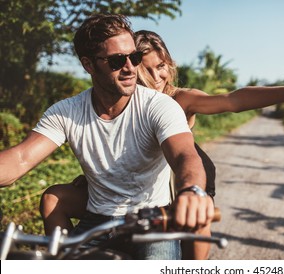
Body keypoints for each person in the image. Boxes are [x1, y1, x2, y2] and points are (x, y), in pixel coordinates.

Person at [39, 30, 284, 259]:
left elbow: (234, 100)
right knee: (58, 195)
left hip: (177, 182)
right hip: (123, 190)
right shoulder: (104, 103)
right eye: (146, 67)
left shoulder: (178, 100)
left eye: (161, 64)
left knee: (197, 205)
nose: (159, 75)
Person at [0, 14, 214, 260]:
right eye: (116, 61)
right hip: (96, 219)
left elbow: (185, 155)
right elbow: (20, 159)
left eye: (134, 57)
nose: (130, 68)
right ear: (88, 65)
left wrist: (191, 190)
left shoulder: (159, 106)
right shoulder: (67, 111)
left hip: (152, 221)